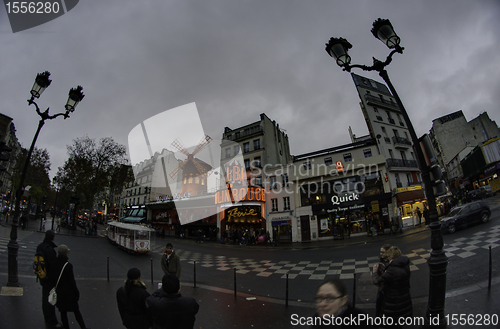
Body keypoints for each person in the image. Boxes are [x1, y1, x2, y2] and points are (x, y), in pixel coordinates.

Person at [372, 246, 413, 328]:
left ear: (392, 257)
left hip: (394, 302)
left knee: (393, 324)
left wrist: (375, 272)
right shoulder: (403, 265)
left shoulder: (393, 269)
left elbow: (377, 281)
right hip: (404, 299)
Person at [52, 245, 89, 329]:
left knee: (63, 313)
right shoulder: (68, 266)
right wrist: (76, 292)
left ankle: (66, 327)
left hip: (60, 292)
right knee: (76, 312)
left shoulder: (54, 263)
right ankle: (83, 327)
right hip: (69, 294)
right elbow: (72, 281)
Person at [36, 230, 63, 328]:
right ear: (53, 238)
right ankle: (52, 320)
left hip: (41, 275)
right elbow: (53, 266)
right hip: (49, 278)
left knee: (44, 297)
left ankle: (46, 316)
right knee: (51, 299)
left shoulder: (40, 246)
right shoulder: (50, 249)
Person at [374, 244, 391, 317]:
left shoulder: (389, 264)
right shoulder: (382, 261)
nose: (381, 254)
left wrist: (375, 272)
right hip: (382, 289)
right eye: (380, 252)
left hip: (385, 289)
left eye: (383, 252)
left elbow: (377, 281)